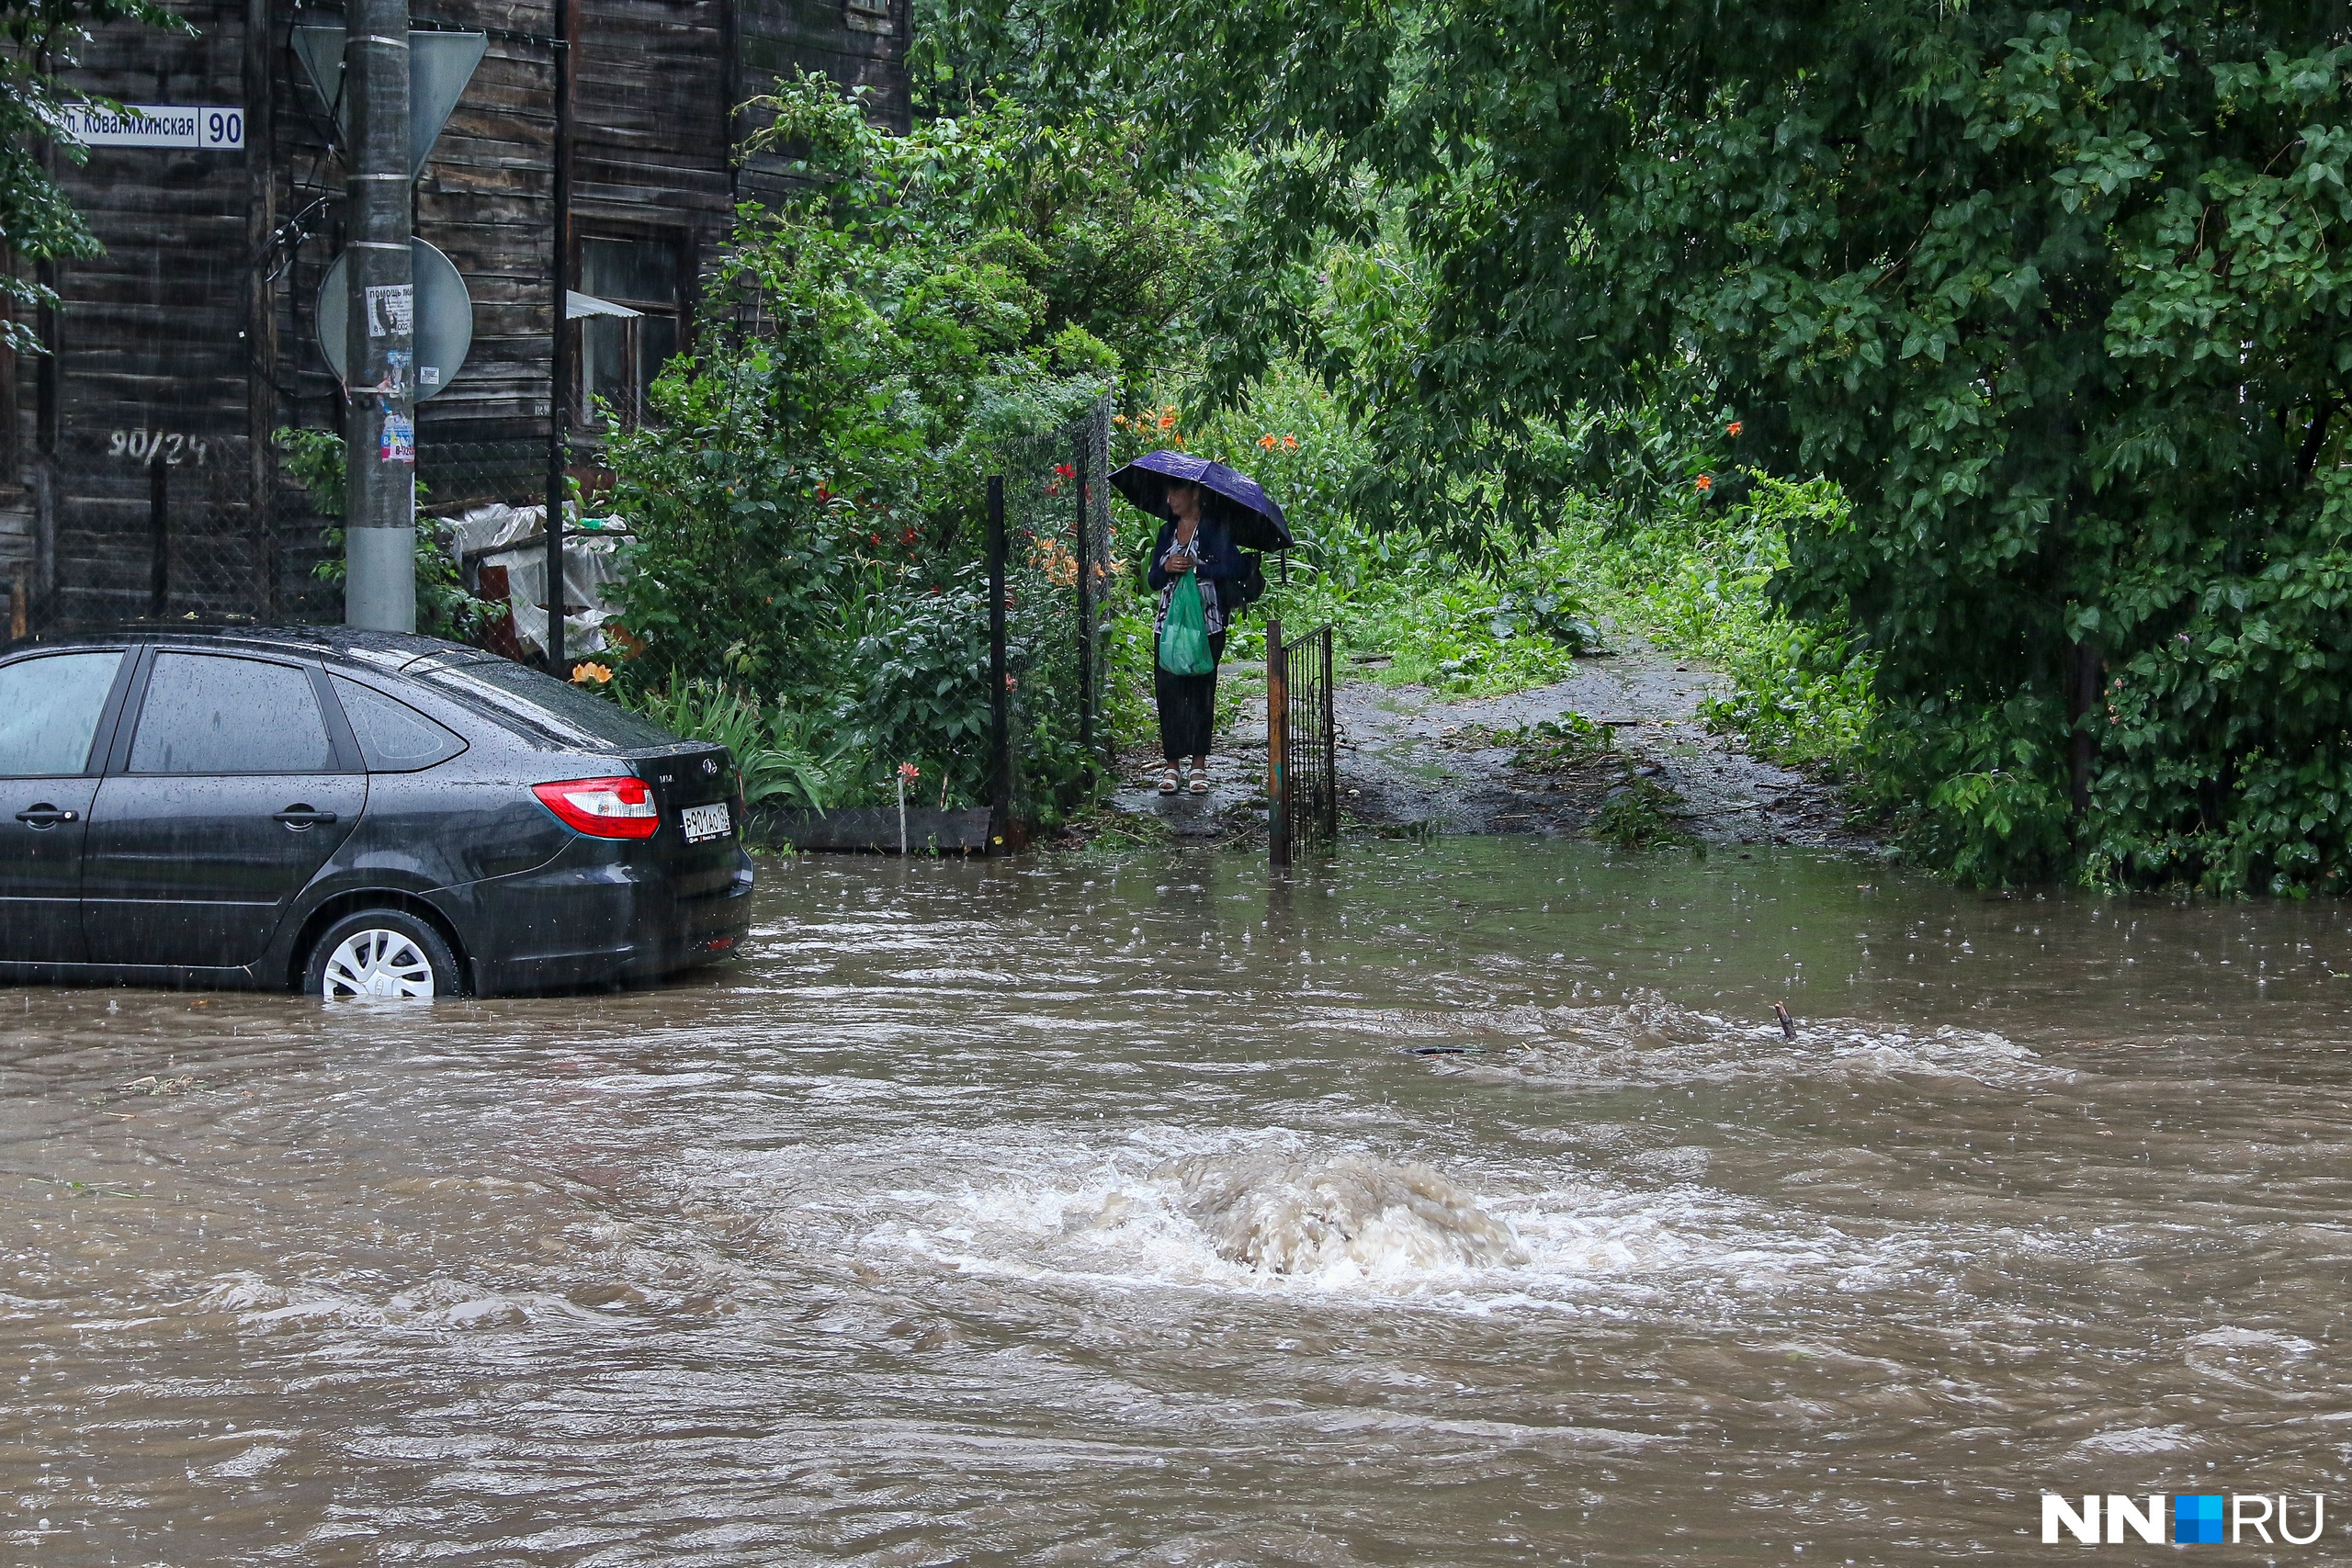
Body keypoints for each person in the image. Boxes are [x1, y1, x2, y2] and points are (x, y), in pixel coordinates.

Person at [1147, 479, 1246, 794]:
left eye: (1177, 492)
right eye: (1168, 492)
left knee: (1201, 693)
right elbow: (1152, 579)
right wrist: (1167, 565)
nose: (1170, 498)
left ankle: (1198, 765)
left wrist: (1199, 567)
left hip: (1208, 625)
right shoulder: (1166, 532)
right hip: (1170, 627)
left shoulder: (1215, 529)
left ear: (1196, 494)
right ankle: (1172, 765)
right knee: (1169, 692)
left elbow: (1236, 567)